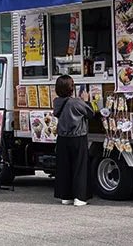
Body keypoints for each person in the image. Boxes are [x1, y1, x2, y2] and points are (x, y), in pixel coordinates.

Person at [52, 75, 95, 206]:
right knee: (80, 167)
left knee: (65, 167)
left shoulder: (56, 102)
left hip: (62, 138)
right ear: (71, 88)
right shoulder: (76, 102)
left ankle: (66, 196)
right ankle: (80, 197)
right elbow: (90, 114)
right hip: (78, 137)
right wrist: (86, 100)